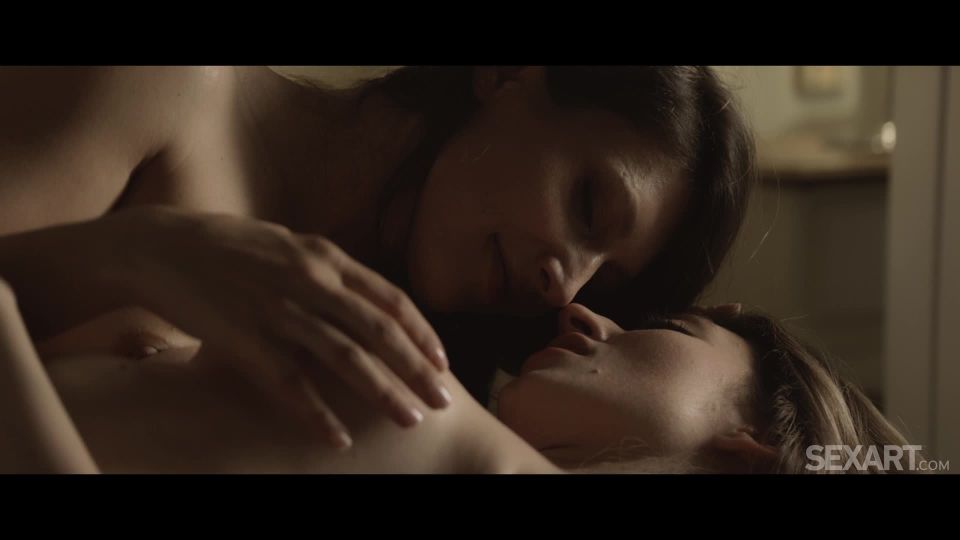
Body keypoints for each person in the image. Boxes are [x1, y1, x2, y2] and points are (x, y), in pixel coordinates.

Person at [0, 66, 755, 447]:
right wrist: (144, 257)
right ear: (506, 74)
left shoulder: (421, 398)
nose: (566, 287)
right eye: (589, 204)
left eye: (605, 279)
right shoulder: (159, 88)